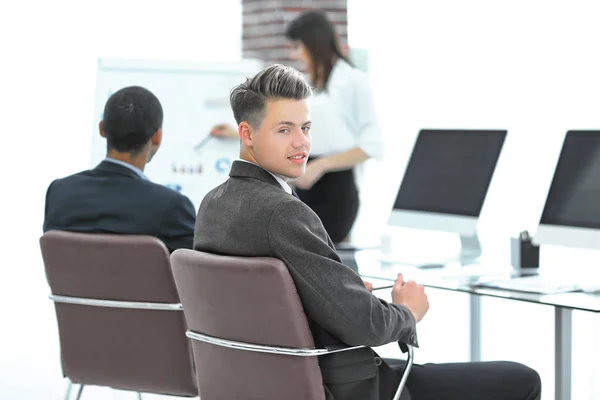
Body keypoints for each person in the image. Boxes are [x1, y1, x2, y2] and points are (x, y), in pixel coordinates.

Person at [194, 64, 541, 400]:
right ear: (247, 134)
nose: (302, 143)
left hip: (263, 384)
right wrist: (407, 312)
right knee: (522, 380)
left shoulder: (212, 205)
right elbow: (367, 326)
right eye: (284, 130)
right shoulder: (282, 212)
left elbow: (263, 307)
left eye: (306, 127)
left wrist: (340, 293)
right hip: (342, 386)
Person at [210, 11, 382, 244]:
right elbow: (284, 127)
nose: (294, 54)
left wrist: (319, 166)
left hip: (335, 185)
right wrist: (238, 133)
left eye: (297, 46)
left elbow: (372, 145)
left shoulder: (354, 81)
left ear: (314, 44)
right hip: (301, 178)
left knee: (325, 254)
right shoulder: (309, 83)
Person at [43, 86, 196, 253]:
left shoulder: (59, 193)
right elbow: (195, 275)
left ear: (102, 128)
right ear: (157, 137)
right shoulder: (173, 208)